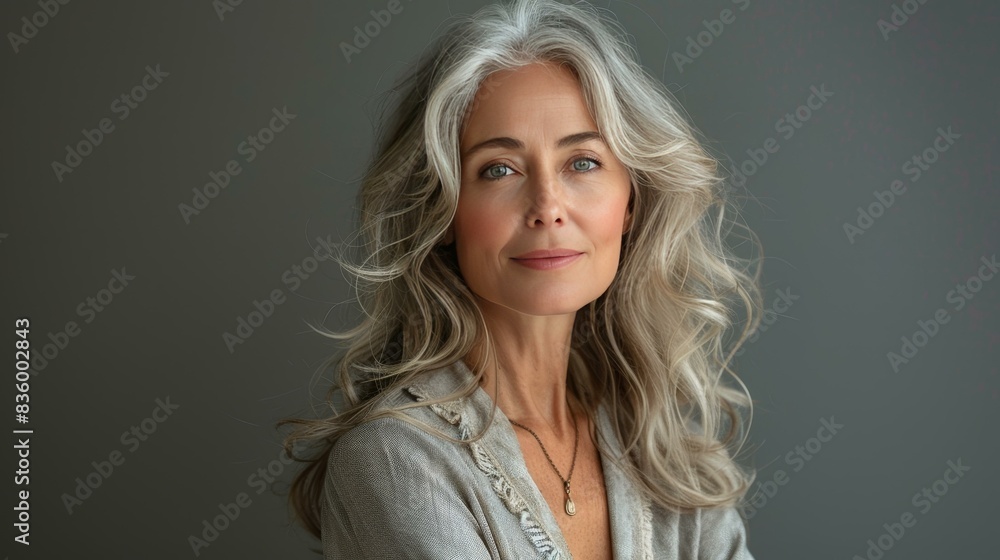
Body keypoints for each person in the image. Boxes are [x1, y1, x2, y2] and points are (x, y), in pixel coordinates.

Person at [279, 0, 765, 557]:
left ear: (632, 202)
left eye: (582, 161)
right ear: (440, 211)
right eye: (499, 169)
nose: (547, 207)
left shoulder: (666, 455)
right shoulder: (395, 461)